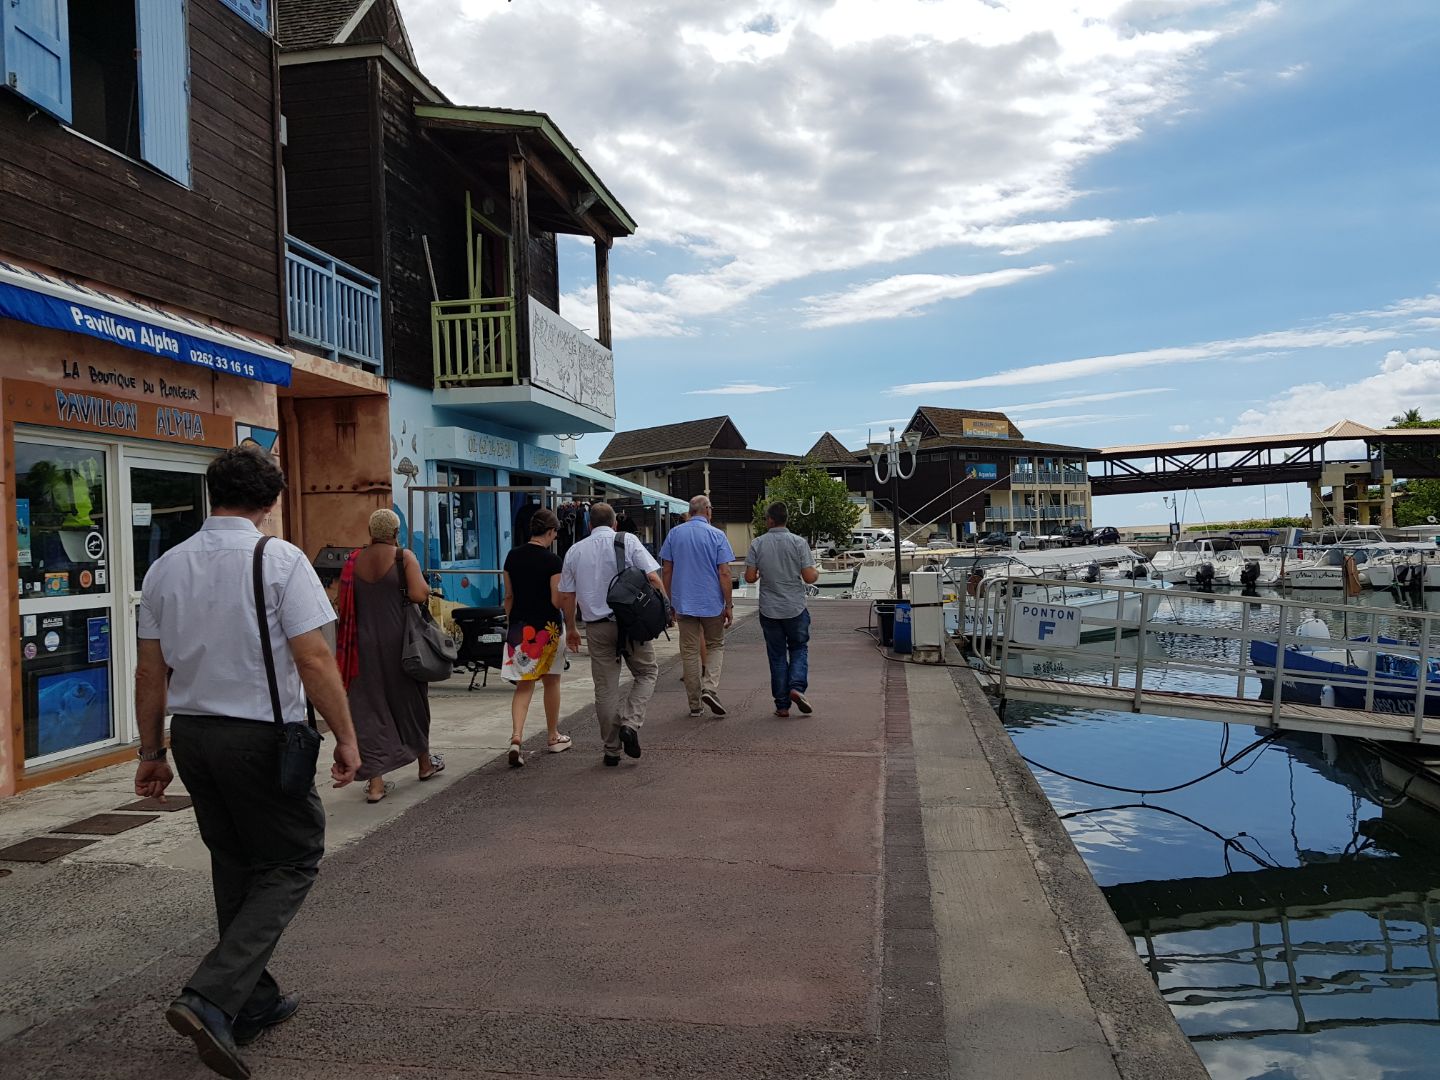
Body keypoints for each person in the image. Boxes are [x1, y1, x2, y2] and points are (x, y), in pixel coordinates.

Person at [133, 445, 361, 1079]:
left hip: (194, 735)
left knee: (234, 861)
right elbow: (313, 658)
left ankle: (252, 1000)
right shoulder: (279, 559)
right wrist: (346, 736)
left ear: (214, 494)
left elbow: (150, 670)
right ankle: (209, 998)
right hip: (261, 734)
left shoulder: (165, 567)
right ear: (270, 501)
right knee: (293, 857)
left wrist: (152, 752)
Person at [336, 509, 444, 804]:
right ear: (396, 532)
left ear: (371, 532)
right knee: (411, 702)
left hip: (363, 645)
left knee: (370, 710)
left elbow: (343, 601)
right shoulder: (403, 557)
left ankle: (376, 785)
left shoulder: (354, 560)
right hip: (400, 643)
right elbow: (420, 594)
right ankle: (424, 764)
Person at [559, 502, 666, 766]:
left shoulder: (574, 551)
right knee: (647, 672)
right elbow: (653, 578)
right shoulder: (628, 541)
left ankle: (611, 749)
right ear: (615, 523)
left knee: (605, 688)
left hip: (596, 627)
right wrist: (665, 608)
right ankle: (630, 722)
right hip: (631, 623)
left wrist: (571, 628)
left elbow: (567, 595)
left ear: (589, 524)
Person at [501, 507, 571, 765]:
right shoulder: (553, 561)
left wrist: (511, 620)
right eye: (555, 533)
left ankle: (516, 737)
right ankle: (553, 737)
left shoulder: (512, 556)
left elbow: (509, 596)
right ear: (550, 532)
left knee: (524, 684)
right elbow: (556, 600)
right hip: (548, 629)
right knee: (552, 682)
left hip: (520, 629)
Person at [660, 495, 735, 717]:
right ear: (708, 510)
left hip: (683, 602)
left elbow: (667, 569)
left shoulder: (674, 534)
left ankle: (694, 704)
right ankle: (709, 688)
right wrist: (728, 604)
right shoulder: (717, 535)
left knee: (689, 651)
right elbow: (725, 572)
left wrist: (669, 600)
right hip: (711, 601)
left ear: (691, 511)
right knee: (715, 645)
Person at [745, 501, 820, 717]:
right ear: (786, 519)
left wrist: (759, 574)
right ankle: (796, 687)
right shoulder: (799, 542)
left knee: (776, 655)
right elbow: (809, 577)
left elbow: (749, 577)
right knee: (799, 647)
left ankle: (782, 705)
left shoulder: (757, 543)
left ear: (770, 520)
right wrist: (816, 573)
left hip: (769, 608)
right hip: (795, 606)